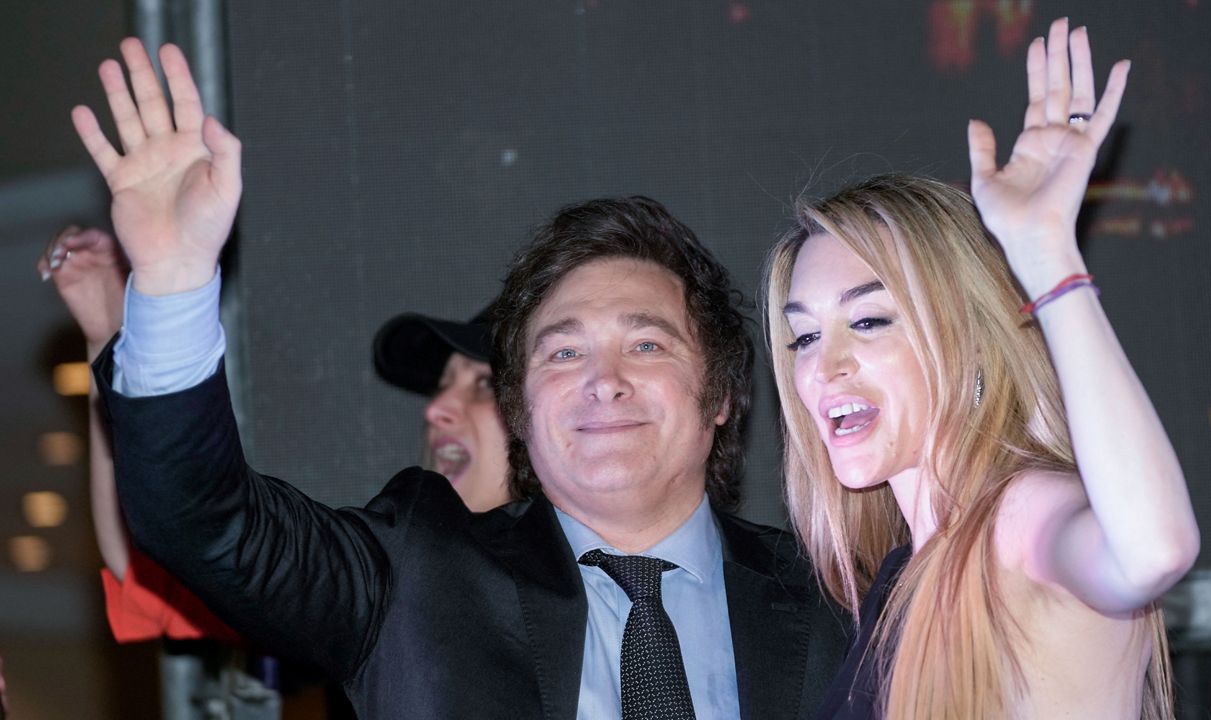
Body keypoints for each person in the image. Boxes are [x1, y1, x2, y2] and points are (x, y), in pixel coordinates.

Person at [70, 38, 846, 718]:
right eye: (563, 353)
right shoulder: (416, 577)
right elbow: (201, 519)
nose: (603, 381)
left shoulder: (841, 605)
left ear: (720, 396)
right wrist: (172, 277)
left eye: (646, 346)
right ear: (522, 409)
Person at [763, 19, 1199, 719]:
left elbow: (1153, 550)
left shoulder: (1019, 517)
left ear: (967, 341)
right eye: (805, 337)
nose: (826, 367)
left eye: (869, 321)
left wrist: (1049, 256)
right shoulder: (903, 579)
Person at [37, 226, 515, 644]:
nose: (435, 409)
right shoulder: (385, 587)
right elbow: (162, 560)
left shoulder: (584, 589)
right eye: (441, 385)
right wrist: (115, 338)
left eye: (484, 385)